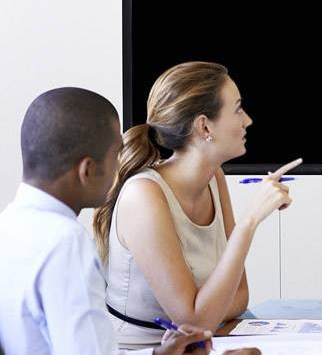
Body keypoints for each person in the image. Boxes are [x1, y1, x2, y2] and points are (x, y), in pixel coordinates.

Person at [0, 86, 259, 355]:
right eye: (115, 157)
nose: (120, 171)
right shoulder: (66, 243)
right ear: (87, 170)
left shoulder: (9, 228)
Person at [93, 61, 299, 349]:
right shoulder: (144, 195)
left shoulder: (214, 177)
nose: (248, 120)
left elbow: (239, 297)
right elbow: (196, 320)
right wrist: (249, 222)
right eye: (238, 108)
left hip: (201, 345)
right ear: (204, 126)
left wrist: (204, 311)